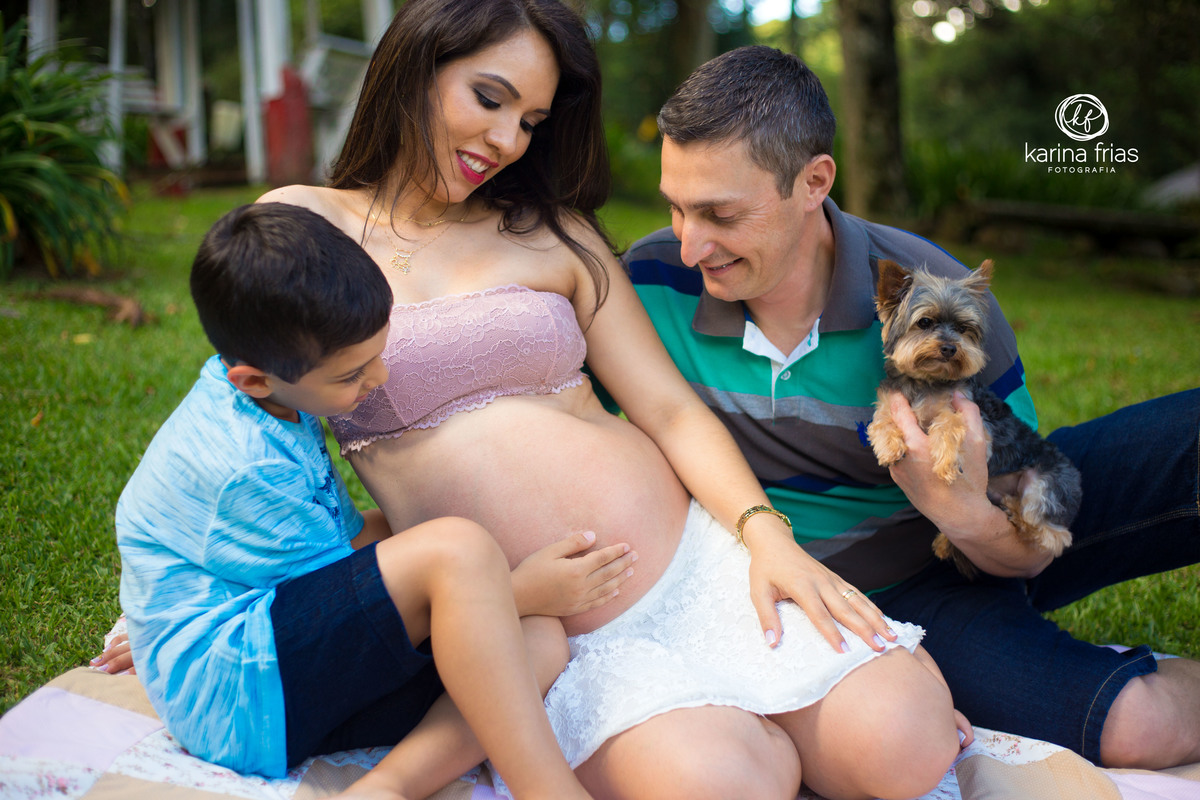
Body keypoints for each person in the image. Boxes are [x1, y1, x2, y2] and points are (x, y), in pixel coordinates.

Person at [260, 2, 971, 800]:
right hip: (554, 630)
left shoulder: (554, 233)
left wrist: (767, 538)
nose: (507, 140)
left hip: (696, 565)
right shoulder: (301, 228)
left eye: (531, 121)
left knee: (905, 745)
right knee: (726, 782)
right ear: (415, 67)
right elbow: (254, 433)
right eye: (489, 99)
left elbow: (669, 411)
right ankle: (738, 735)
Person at [624, 44, 1200, 771]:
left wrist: (960, 512)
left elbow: (1020, 517)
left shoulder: (937, 294)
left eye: (721, 214)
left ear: (814, 181)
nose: (689, 246)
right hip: (901, 599)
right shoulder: (646, 285)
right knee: (1139, 727)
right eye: (676, 208)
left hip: (988, 521)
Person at [115, 202, 598, 800]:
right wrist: (515, 588)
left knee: (536, 640)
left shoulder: (278, 403)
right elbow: (354, 599)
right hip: (241, 693)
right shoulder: (244, 464)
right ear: (254, 379)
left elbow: (351, 548)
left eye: (378, 354)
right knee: (459, 551)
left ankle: (387, 787)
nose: (379, 379)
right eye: (351, 375)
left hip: (289, 676)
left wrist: (488, 579)